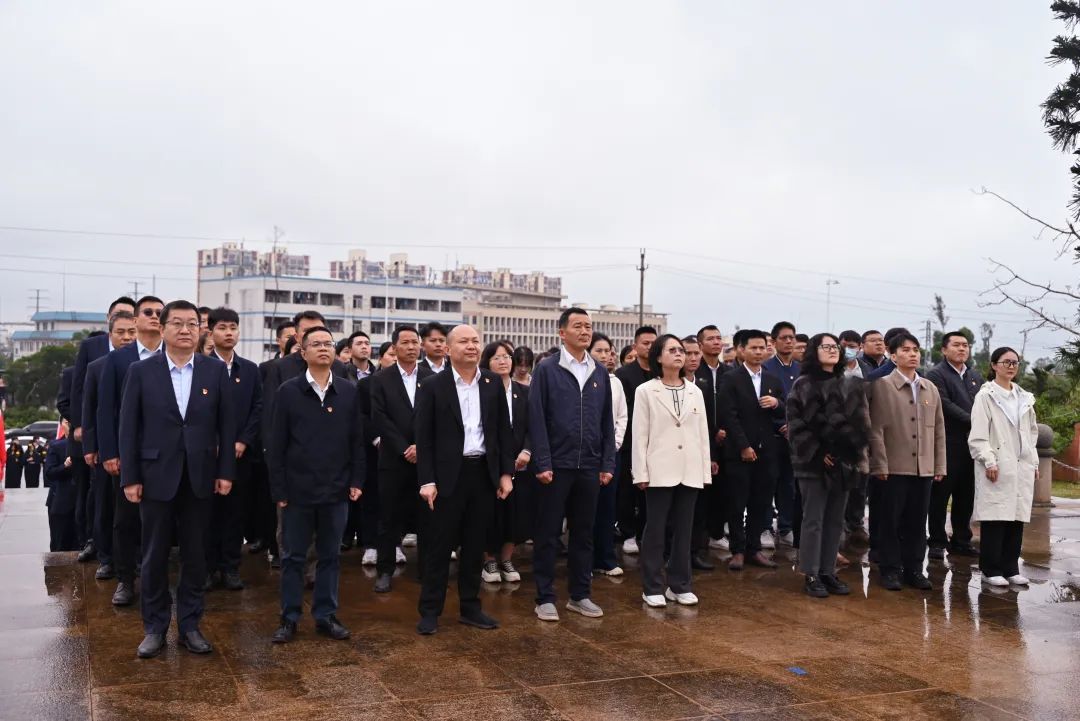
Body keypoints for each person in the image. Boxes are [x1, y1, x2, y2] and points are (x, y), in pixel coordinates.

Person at [118, 300, 236, 658]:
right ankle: (154, 628)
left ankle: (190, 625)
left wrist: (225, 471)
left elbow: (226, 426)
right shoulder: (141, 371)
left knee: (196, 554)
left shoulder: (214, 371)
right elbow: (128, 428)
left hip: (200, 475)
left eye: (192, 324)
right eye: (178, 323)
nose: (185, 330)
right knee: (154, 555)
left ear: (200, 330)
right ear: (163, 328)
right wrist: (130, 477)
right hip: (155, 475)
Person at [414, 326, 514, 634]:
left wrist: (505, 473)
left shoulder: (492, 382)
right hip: (447, 477)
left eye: (475, 341)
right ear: (448, 349)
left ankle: (471, 607)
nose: (471, 346)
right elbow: (424, 437)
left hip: (482, 473)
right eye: (463, 341)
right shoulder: (432, 385)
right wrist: (427, 480)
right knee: (439, 546)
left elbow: (503, 432)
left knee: (474, 545)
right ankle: (430, 611)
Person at [269, 326, 365, 643]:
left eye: (328, 343)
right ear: (303, 351)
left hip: (336, 489)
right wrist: (279, 489)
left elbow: (357, 440)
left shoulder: (348, 391)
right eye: (316, 344)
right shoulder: (288, 391)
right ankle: (289, 618)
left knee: (330, 556)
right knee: (293, 558)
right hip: (297, 491)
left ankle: (325, 615)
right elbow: (277, 444)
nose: (323, 348)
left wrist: (356, 480)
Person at [529, 308, 616, 621]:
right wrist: (542, 461)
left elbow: (606, 421)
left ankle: (580, 595)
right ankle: (545, 597)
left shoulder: (599, 372)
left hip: (589, 465)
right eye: (577, 325)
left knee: (583, 533)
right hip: (556, 465)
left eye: (588, 326)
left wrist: (607, 462)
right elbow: (536, 418)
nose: (584, 331)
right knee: (548, 534)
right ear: (562, 332)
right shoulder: (547, 369)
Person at [786, 334, 871, 598]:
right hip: (812, 464)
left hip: (843, 463)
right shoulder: (803, 384)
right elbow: (796, 425)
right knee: (813, 520)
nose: (833, 350)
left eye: (835, 347)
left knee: (835, 520)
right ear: (814, 351)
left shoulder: (849, 383)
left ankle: (827, 571)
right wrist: (819, 453)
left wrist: (851, 450)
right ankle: (810, 573)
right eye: (826, 346)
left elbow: (861, 421)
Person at [633, 335, 711, 607]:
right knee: (655, 529)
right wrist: (640, 472)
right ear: (658, 356)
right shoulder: (646, 391)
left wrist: (704, 471)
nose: (679, 354)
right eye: (672, 350)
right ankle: (652, 586)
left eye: (681, 350)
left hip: (690, 468)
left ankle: (679, 585)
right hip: (659, 468)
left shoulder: (695, 391)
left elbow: (702, 435)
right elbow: (640, 435)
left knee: (684, 529)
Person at [98, 295, 165, 607]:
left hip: (166, 455)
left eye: (159, 312)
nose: (154, 316)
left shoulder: (176, 356)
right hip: (128, 454)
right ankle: (125, 579)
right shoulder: (118, 359)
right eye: (147, 312)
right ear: (135, 319)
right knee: (125, 519)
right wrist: (110, 452)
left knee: (162, 521)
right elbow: (106, 410)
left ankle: (157, 578)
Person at [868, 332, 946, 591]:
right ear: (893, 356)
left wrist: (939, 465)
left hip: (923, 468)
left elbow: (938, 430)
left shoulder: (930, 388)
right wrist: (880, 464)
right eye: (905, 350)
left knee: (917, 522)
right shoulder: (882, 386)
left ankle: (914, 569)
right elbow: (876, 429)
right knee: (890, 521)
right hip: (894, 466)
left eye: (915, 350)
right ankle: (890, 569)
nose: (912, 354)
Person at [70, 296, 137, 562]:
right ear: (110, 332)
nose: (127, 337)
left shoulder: (151, 363)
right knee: (102, 503)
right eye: (121, 332)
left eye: (131, 331)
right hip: (104, 446)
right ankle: (104, 555)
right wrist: (88, 441)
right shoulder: (97, 363)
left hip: (137, 446)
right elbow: (86, 402)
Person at [370, 326, 434, 593]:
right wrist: (404, 448)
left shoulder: (432, 378)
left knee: (427, 518)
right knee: (389, 518)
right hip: (393, 460)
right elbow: (379, 417)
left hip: (425, 461)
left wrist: (421, 447)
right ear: (394, 347)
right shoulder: (381, 379)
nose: (411, 347)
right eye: (405, 342)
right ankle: (384, 571)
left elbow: (437, 416)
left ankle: (427, 571)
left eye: (415, 342)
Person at [968, 347, 1038, 588]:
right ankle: (990, 569)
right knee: (995, 517)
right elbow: (978, 435)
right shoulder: (985, 396)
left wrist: (1033, 461)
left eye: (1015, 362)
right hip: (997, 463)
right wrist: (988, 459)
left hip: (1021, 464)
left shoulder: (1024, 397)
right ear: (994, 365)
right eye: (1006, 362)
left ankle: (1011, 568)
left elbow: (1031, 434)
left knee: (1016, 518)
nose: (1011, 366)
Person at [204, 307, 262, 592]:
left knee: (235, 513)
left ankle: (230, 567)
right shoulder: (201, 366)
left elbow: (257, 407)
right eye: (222, 328)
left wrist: (243, 441)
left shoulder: (249, 369)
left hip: (241, 454)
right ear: (210, 332)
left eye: (233, 328)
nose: (228, 333)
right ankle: (207, 568)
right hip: (208, 454)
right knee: (206, 513)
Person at [717, 329, 785, 571]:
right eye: (753, 348)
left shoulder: (772, 379)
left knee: (761, 501)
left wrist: (776, 404)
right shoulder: (731, 378)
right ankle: (737, 549)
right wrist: (743, 445)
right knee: (737, 502)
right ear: (741, 350)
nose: (758, 352)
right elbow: (728, 415)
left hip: (767, 451)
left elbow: (785, 410)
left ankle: (754, 549)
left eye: (762, 347)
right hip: (739, 452)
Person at [926, 331, 985, 560]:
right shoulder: (936, 374)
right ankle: (937, 540)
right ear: (944, 349)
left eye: (965, 345)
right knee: (940, 496)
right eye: (957, 345)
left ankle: (961, 540)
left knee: (966, 495)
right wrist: (975, 421)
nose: (962, 349)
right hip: (948, 443)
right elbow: (944, 404)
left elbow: (983, 404)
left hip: (972, 444)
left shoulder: (974, 376)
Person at [480, 340, 534, 584]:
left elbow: (533, 426)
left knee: (517, 513)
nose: (503, 361)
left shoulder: (524, 392)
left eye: (507, 357)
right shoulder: (482, 390)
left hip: (520, 463)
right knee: (491, 513)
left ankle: (507, 558)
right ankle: (489, 559)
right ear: (487, 362)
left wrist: (527, 450)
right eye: (497, 357)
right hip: (490, 463)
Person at [614, 326, 658, 556]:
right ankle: (628, 533)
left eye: (653, 343)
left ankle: (645, 532)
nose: (650, 347)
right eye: (645, 343)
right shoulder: (623, 375)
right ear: (635, 346)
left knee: (651, 492)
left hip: (657, 442)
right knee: (627, 491)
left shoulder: (661, 372)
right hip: (630, 441)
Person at [587, 333, 628, 577]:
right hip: (585, 454)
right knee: (585, 510)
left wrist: (615, 444)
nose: (605, 356)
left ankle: (605, 558)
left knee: (607, 507)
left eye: (608, 351)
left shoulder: (615, 382)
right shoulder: (581, 378)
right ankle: (585, 561)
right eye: (599, 351)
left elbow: (622, 416)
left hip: (611, 454)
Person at [763, 321, 801, 549]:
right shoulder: (766, 368)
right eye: (784, 338)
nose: (788, 341)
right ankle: (765, 527)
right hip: (773, 435)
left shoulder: (801, 369)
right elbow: (762, 403)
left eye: (791, 337)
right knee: (768, 483)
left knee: (789, 485)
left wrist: (795, 426)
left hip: (796, 437)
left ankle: (786, 527)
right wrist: (781, 425)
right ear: (774, 341)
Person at [837, 330, 873, 546]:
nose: (848, 350)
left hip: (862, 436)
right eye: (844, 345)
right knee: (840, 484)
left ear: (859, 347)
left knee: (860, 484)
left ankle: (856, 524)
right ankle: (839, 527)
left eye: (852, 346)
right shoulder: (832, 370)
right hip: (838, 436)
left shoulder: (868, 372)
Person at [45, 430, 79, 551]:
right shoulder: (57, 446)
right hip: (60, 502)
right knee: (59, 545)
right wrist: (65, 466)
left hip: (82, 501)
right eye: (66, 422)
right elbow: (49, 472)